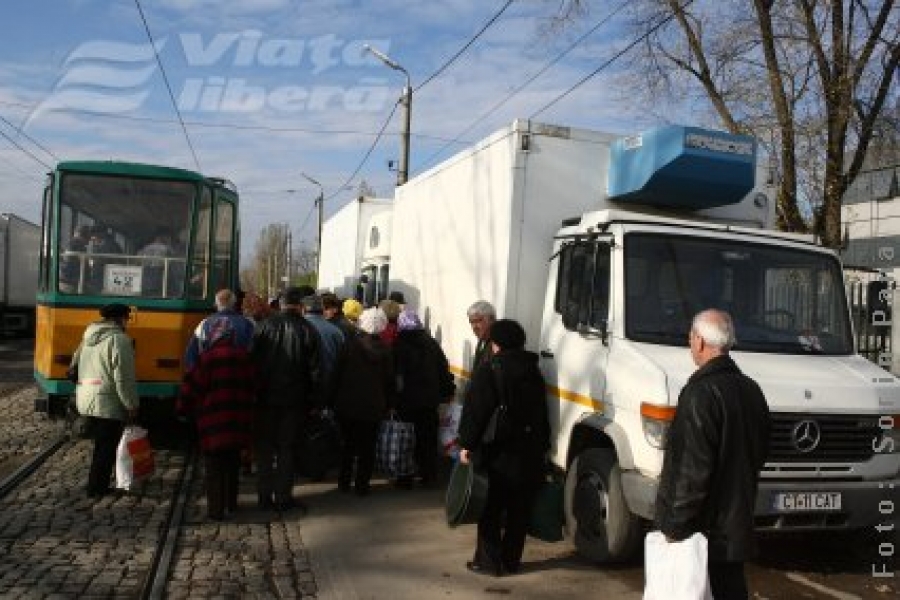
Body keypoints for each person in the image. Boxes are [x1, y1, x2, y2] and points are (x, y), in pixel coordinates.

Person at [654, 309, 771, 599]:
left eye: (691, 336)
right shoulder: (752, 389)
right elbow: (761, 451)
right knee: (731, 588)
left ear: (700, 342)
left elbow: (692, 469)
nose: (690, 342)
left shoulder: (700, 393)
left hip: (704, 532)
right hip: (735, 524)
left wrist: (675, 526)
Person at [457, 319, 550, 577]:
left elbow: (476, 412)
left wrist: (466, 444)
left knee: (490, 507)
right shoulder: (534, 371)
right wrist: (544, 447)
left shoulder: (490, 370)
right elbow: (542, 416)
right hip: (528, 451)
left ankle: (487, 562)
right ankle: (511, 561)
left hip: (496, 452)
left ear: (495, 343)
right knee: (519, 510)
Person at [178, 316, 257, 521]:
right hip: (238, 422)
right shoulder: (244, 357)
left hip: (212, 423)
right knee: (232, 464)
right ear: (231, 336)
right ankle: (231, 504)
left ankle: (216, 510)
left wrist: (182, 409)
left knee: (213, 468)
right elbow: (254, 386)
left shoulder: (206, 359)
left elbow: (191, 387)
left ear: (213, 336)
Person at [252, 286, 322, 512]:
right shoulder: (308, 329)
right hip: (295, 400)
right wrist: (315, 402)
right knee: (287, 449)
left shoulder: (264, 327)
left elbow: (252, 363)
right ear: (300, 306)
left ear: (281, 304)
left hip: (265, 399)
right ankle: (283, 496)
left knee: (264, 449)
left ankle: (263, 496)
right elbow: (316, 372)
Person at [71, 303, 139, 499]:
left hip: (86, 395)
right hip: (106, 400)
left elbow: (74, 364)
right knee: (106, 446)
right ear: (120, 319)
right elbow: (123, 378)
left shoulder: (88, 336)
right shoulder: (119, 340)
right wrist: (131, 404)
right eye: (126, 318)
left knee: (101, 444)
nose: (127, 322)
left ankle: (96, 484)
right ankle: (97, 487)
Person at [330, 306, 395, 496]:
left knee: (348, 445)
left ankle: (343, 482)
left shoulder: (349, 346)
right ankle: (362, 485)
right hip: (374, 406)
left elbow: (336, 375)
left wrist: (329, 400)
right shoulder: (387, 350)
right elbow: (389, 381)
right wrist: (390, 404)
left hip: (347, 404)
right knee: (368, 447)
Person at [393, 309, 455, 488]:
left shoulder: (399, 345)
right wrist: (448, 390)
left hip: (406, 401)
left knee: (405, 439)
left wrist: (394, 398)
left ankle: (405, 478)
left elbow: (396, 375)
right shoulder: (431, 343)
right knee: (427, 438)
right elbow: (443, 369)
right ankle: (428, 475)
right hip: (429, 400)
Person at [184, 289, 255, 371]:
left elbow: (191, 354)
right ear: (234, 304)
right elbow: (254, 352)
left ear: (216, 304)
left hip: (211, 376)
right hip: (238, 377)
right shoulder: (247, 324)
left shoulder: (204, 324)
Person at [302, 293, 345, 401]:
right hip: (328, 386)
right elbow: (342, 360)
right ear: (322, 309)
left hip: (301, 387)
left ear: (303, 309)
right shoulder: (336, 332)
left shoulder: (298, 328)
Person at [87, 225, 123, 292]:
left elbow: (101, 260)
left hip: (104, 279)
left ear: (99, 234)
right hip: (103, 278)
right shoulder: (108, 243)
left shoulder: (108, 244)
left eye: (93, 236)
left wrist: (93, 261)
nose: (92, 239)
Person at [137, 229, 174, 296]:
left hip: (146, 273)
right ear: (161, 237)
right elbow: (173, 261)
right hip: (159, 273)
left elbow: (138, 260)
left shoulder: (145, 248)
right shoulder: (166, 248)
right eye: (167, 237)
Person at [60, 224, 92, 292]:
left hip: (66, 280)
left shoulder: (71, 243)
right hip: (71, 282)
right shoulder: (78, 244)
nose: (89, 241)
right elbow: (84, 264)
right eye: (89, 237)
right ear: (85, 236)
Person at [467, 300, 496, 372]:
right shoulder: (482, 341)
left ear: (492, 319)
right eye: (472, 322)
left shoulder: (499, 343)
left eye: (478, 321)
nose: (474, 327)